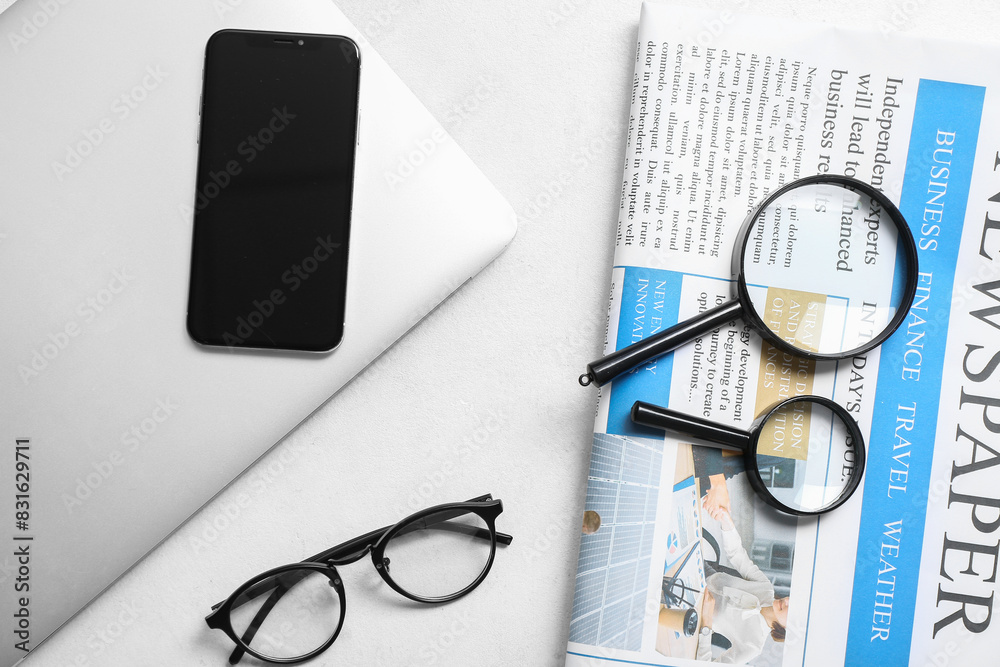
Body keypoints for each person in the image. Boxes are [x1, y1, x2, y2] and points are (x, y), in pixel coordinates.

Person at [696, 507, 789, 663]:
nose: (787, 600)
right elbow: (736, 554)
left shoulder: (753, 646)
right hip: (703, 570)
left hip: (691, 606)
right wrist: (727, 522)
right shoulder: (766, 588)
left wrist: (706, 623)